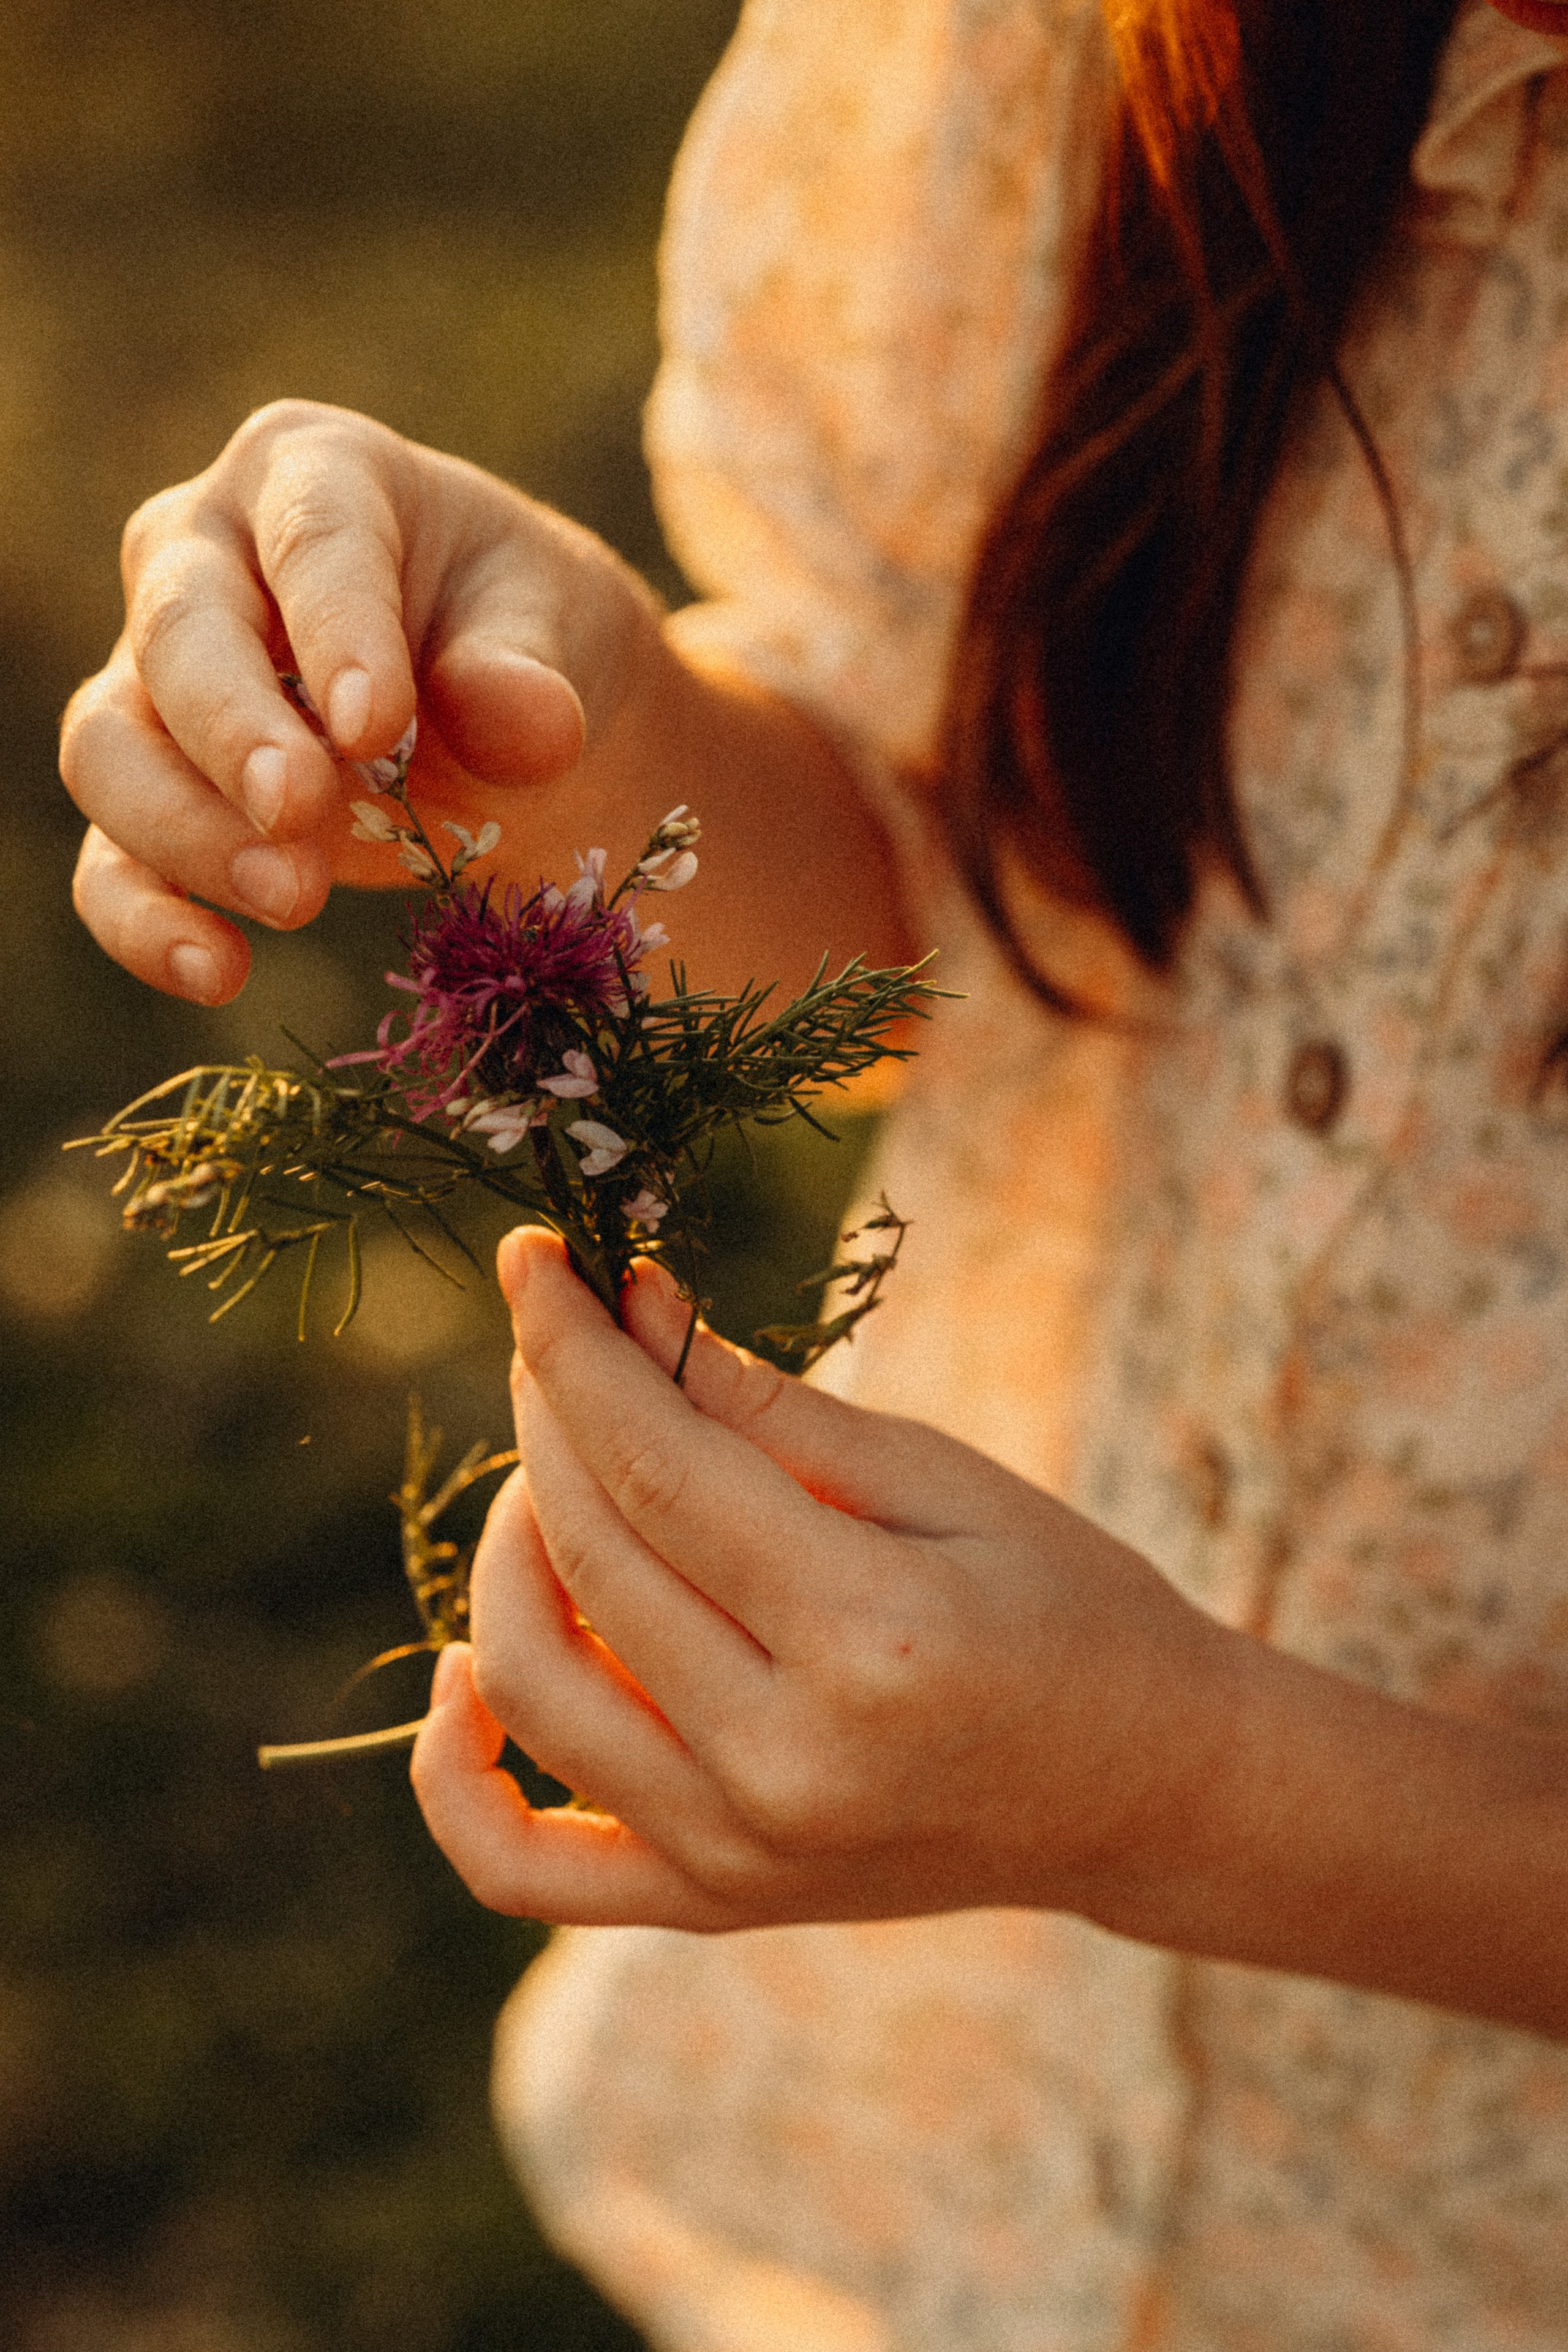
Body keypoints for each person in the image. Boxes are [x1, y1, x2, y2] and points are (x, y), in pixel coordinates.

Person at [59, 0, 1568, 2342]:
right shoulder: (1102, 48)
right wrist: (591, 729)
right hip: (951, 2172)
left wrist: (1186, 1796)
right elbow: (953, 877)